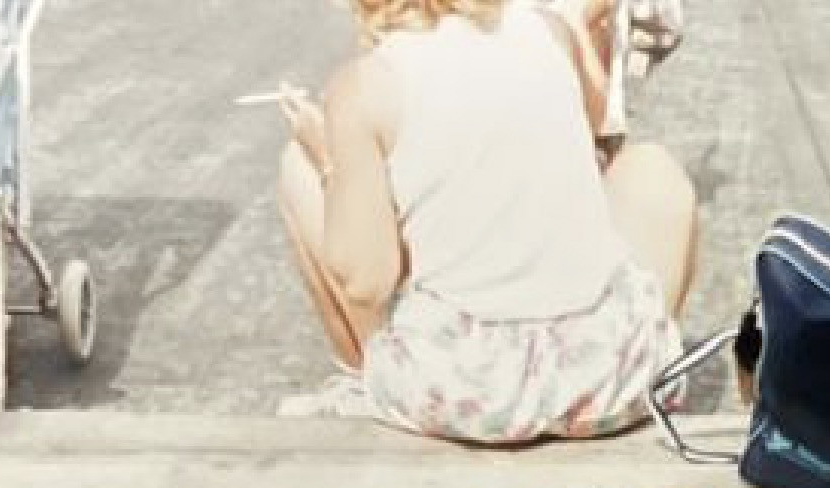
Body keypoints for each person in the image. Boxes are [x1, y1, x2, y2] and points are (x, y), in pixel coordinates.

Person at [273, 0, 698, 444]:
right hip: (607, 382)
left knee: (299, 170)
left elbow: (368, 280)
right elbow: (586, 151)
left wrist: (330, 162)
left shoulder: (364, 86)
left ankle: (360, 381)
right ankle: (639, 355)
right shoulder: (550, 32)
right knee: (650, 169)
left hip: (465, 397)